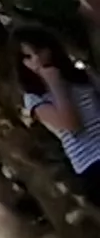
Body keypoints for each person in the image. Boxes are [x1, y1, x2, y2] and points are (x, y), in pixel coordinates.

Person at [12, 25, 100, 203]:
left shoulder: (81, 77)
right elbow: (71, 126)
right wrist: (56, 86)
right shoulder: (35, 98)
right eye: (28, 57)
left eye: (39, 51)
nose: (37, 59)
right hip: (92, 163)